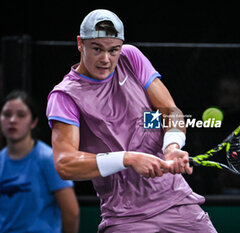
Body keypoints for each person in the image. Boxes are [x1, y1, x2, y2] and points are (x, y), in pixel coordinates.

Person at [46, 9, 217, 232]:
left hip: (177, 202)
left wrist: (172, 146)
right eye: (97, 49)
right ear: (80, 43)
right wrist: (128, 159)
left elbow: (171, 112)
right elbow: (65, 163)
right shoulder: (65, 96)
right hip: (125, 218)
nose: (106, 59)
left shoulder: (131, 57)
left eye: (113, 50)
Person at [0, 90, 79, 233]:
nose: (12, 120)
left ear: (33, 122)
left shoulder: (47, 158)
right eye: (6, 114)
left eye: (21, 115)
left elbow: (71, 213)